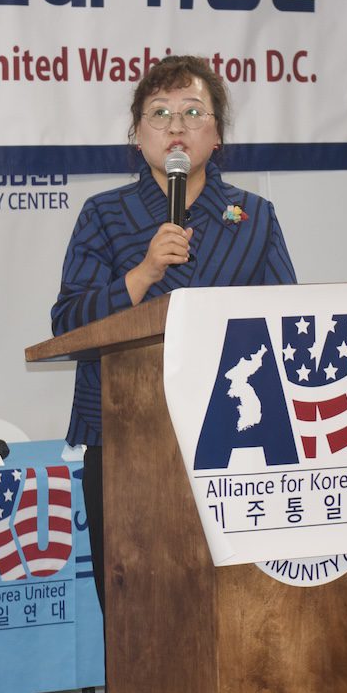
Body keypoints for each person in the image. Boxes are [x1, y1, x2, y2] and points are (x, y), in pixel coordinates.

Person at [50, 55, 296, 610]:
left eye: (193, 112)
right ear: (137, 136)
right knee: (135, 606)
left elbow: (283, 322)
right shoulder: (104, 215)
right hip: (124, 435)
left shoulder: (253, 216)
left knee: (228, 603)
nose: (177, 126)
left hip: (234, 439)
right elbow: (67, 323)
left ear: (217, 136)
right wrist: (142, 275)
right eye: (159, 113)